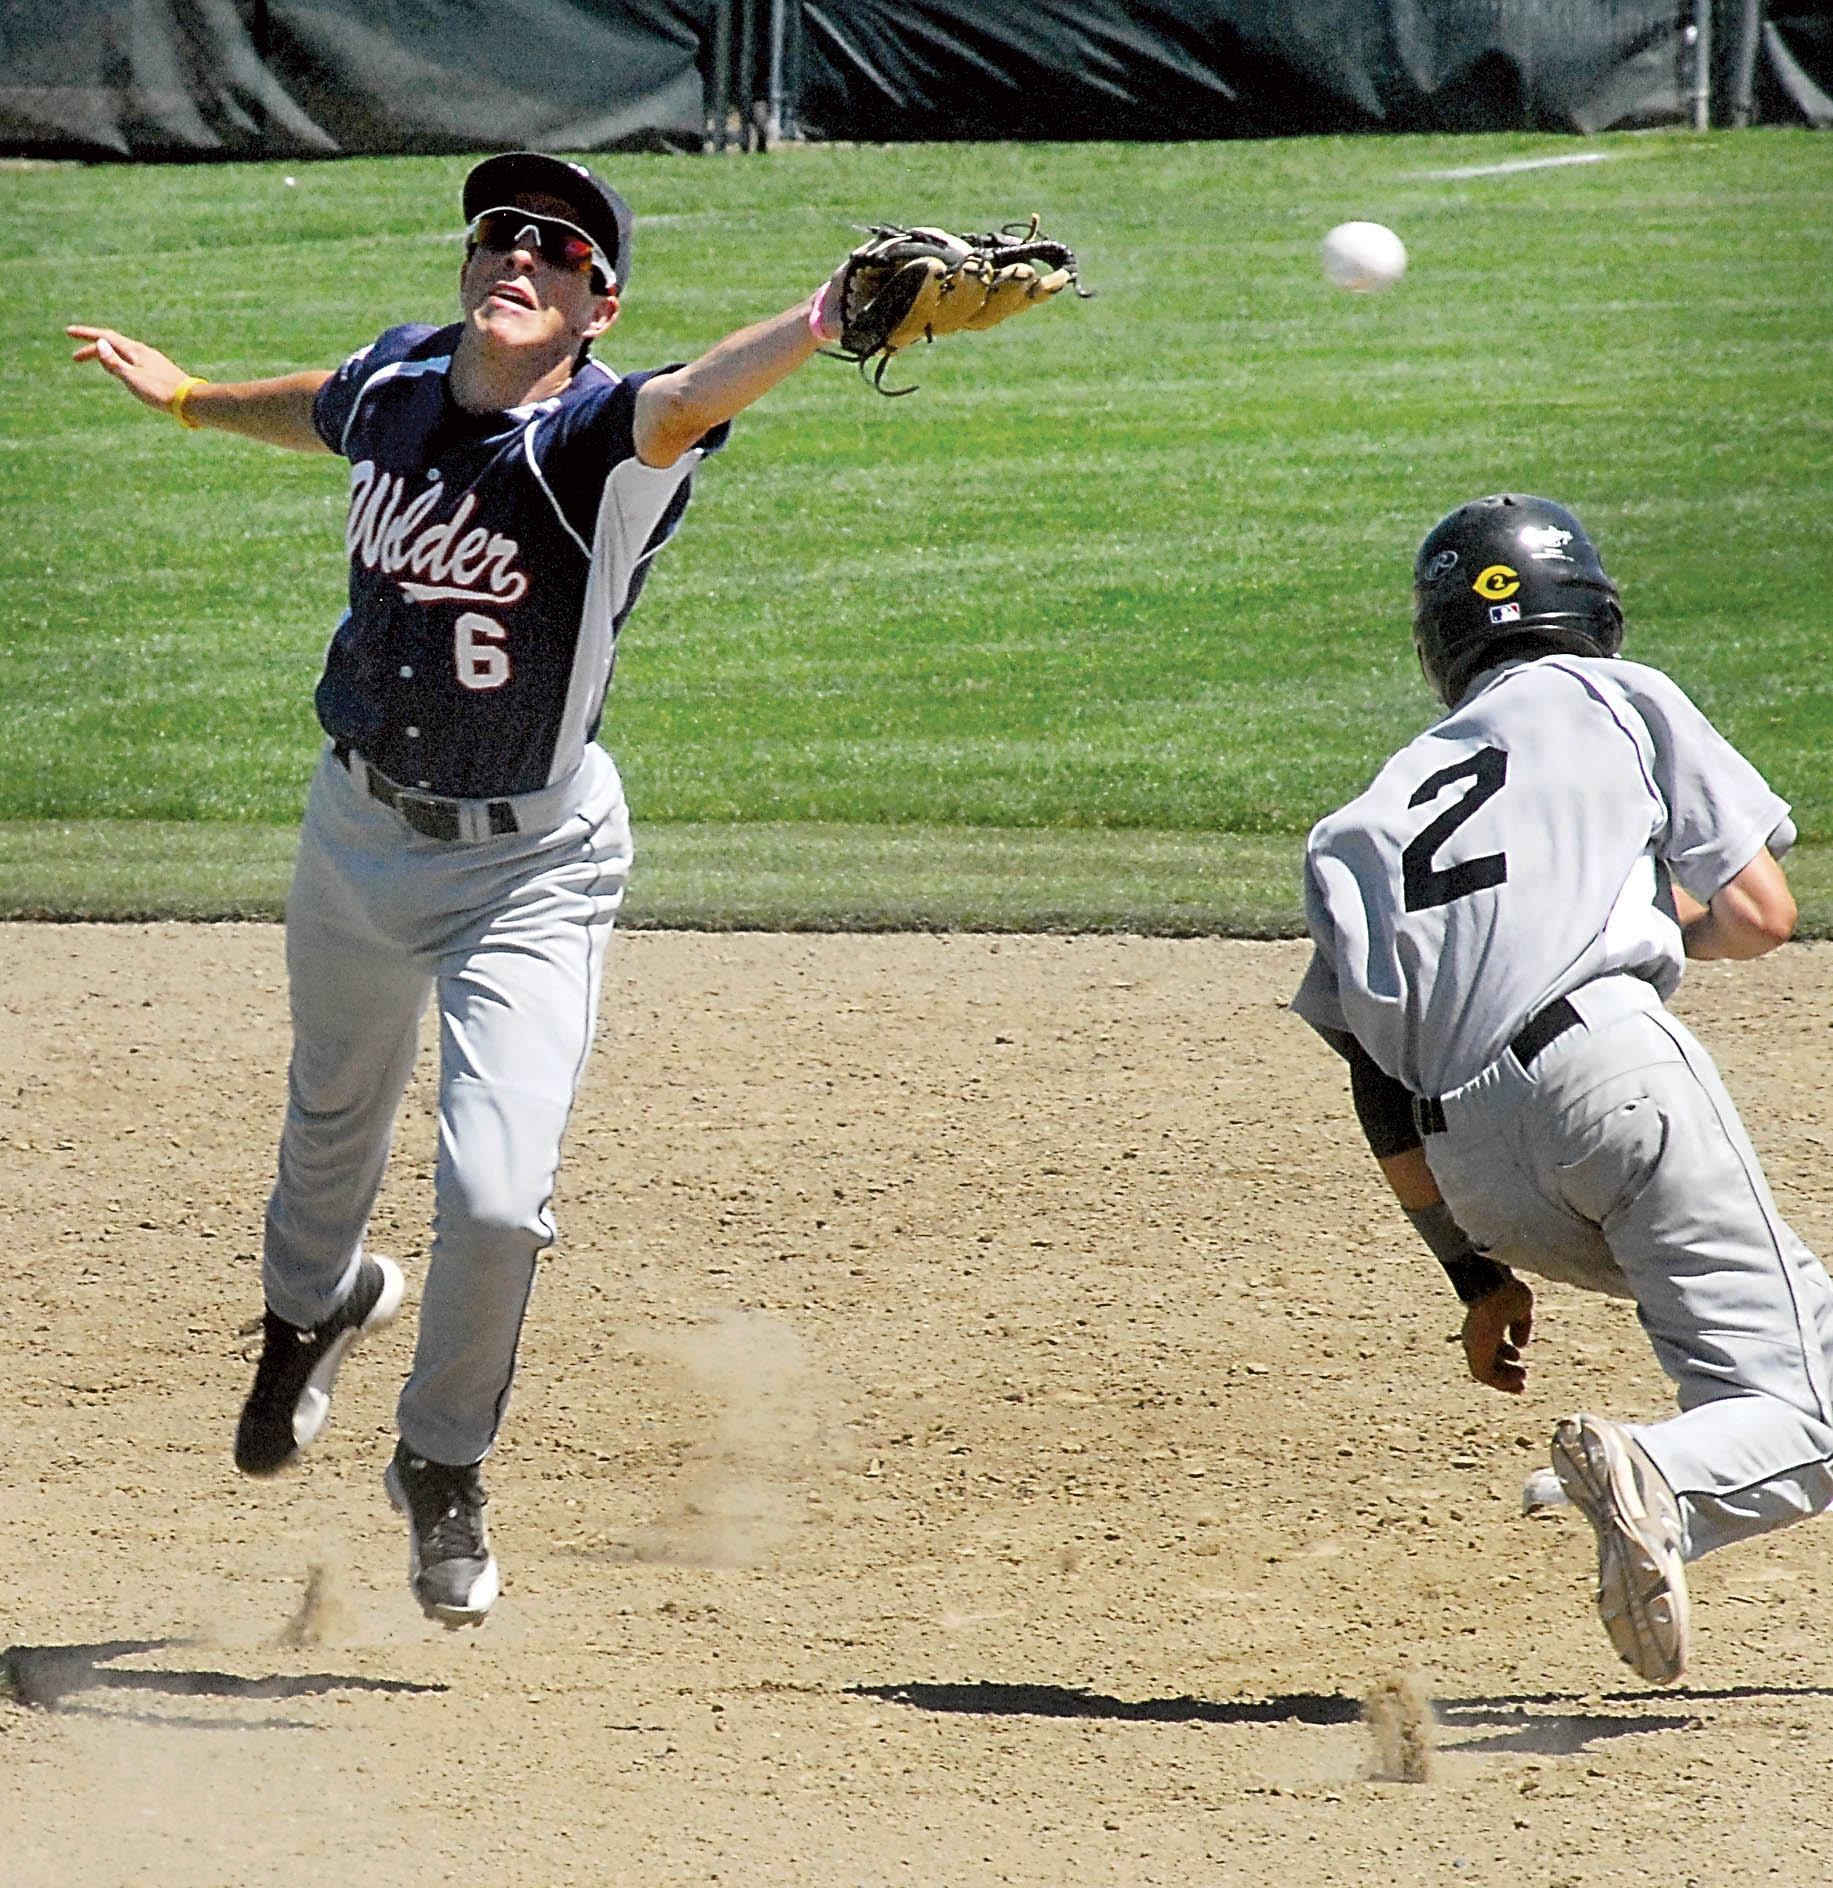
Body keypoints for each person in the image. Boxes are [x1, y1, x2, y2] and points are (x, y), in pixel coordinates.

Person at [70, 151, 861, 1628]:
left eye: (559, 251)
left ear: (595, 305)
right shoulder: (402, 381)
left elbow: (690, 399)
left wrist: (819, 316)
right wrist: (182, 397)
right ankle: (312, 1313)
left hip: (534, 861)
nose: (521, 254)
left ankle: (441, 1465)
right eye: (502, 233)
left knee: (497, 1198)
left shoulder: (598, 446)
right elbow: (317, 407)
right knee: (329, 1124)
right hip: (358, 832)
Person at [1292, 492, 1832, 1687]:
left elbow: (1377, 1088)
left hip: (1483, 1176)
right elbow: (1759, 915)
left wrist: (1475, 1277)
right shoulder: (1615, 694)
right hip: (1610, 1078)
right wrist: (1634, 909)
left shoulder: (1359, 823)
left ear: (1442, 641)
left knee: (1794, 1348)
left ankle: (1663, 1471)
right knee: (1812, 1401)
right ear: (1590, 607)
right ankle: (1661, 1476)